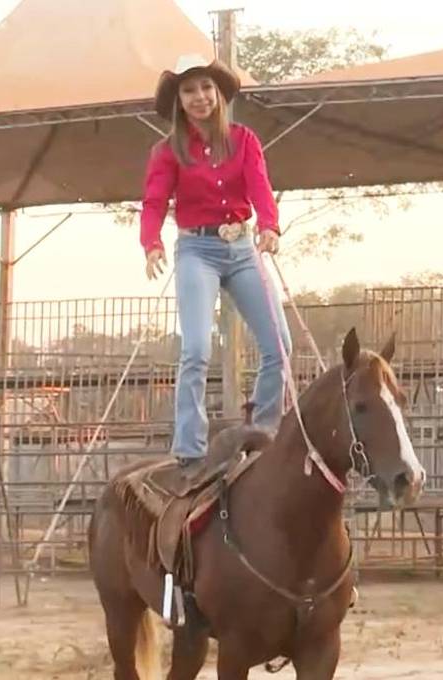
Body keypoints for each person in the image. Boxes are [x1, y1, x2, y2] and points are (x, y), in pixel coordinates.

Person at [140, 53, 292, 470]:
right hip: (197, 250)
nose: (200, 96)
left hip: (243, 248)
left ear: (220, 93)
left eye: (206, 87)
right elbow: (154, 200)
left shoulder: (244, 140)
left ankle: (264, 433)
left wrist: (270, 225)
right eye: (189, 90)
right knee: (195, 349)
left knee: (280, 345)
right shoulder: (167, 151)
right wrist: (151, 242)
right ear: (179, 100)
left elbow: (260, 186)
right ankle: (189, 448)